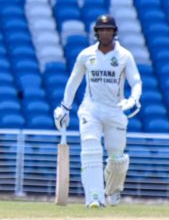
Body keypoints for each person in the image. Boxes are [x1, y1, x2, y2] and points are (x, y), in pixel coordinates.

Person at [53, 14, 142, 208]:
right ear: (96, 32)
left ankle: (113, 190)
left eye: (108, 30)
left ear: (114, 32)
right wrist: (64, 107)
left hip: (115, 109)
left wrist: (133, 99)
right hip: (90, 109)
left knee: (116, 157)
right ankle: (94, 197)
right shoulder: (86, 55)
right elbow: (73, 81)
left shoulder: (124, 55)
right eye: (101, 30)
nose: (105, 33)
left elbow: (135, 81)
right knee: (90, 148)